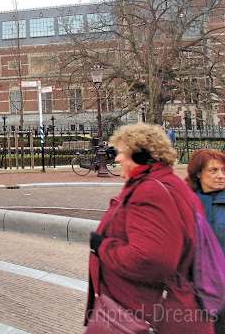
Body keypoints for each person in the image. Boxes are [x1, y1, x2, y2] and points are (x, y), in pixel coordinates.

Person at [85, 123, 213, 334]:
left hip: (144, 316)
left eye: (122, 153)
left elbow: (151, 260)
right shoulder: (169, 184)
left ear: (141, 156)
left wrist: (103, 247)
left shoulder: (152, 190)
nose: (117, 159)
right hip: (161, 311)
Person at [187, 149, 225, 333]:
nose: (221, 175)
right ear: (198, 173)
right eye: (213, 170)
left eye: (224, 170)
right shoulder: (187, 202)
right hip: (196, 289)